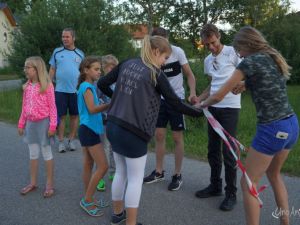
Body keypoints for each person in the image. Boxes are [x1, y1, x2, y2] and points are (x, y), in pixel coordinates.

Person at [196, 26, 299, 225]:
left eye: (239, 49)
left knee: (248, 183)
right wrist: (245, 85)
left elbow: (217, 95)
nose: (239, 53)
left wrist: (201, 105)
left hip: (271, 128)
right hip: (291, 124)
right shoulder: (271, 57)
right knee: (274, 174)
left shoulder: (249, 61)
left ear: (246, 45)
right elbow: (267, 84)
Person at [98, 35, 201, 225]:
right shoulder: (155, 74)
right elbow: (175, 103)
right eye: (164, 58)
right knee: (135, 179)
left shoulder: (127, 63)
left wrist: (118, 98)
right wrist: (199, 112)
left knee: (121, 172)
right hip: (133, 132)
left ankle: (117, 214)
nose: (164, 63)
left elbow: (101, 83)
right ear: (155, 52)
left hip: (113, 125)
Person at [193, 24, 242, 211]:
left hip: (230, 108)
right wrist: (200, 98)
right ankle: (215, 186)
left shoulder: (233, 52)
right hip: (212, 108)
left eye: (213, 43)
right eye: (207, 45)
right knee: (212, 150)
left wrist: (244, 84)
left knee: (228, 152)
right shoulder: (207, 60)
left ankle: (231, 194)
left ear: (219, 36)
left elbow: (245, 75)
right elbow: (212, 85)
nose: (211, 48)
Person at [143, 27, 197, 191]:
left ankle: (177, 174)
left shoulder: (177, 52)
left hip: (176, 100)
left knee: (176, 137)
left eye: (162, 39)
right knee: (159, 135)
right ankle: (159, 172)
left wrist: (193, 93)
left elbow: (189, 74)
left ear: (167, 39)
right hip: (159, 100)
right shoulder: (151, 55)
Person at [18, 56, 57, 198]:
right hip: (30, 124)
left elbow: (53, 108)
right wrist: (21, 123)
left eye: (28, 67)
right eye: (25, 67)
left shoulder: (47, 86)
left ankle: (49, 184)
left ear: (37, 69)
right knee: (33, 154)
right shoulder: (27, 87)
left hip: (44, 124)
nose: (25, 70)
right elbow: (24, 107)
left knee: (47, 153)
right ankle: (33, 182)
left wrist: (53, 125)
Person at [77, 56, 109, 217]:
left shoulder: (86, 86)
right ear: (86, 70)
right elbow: (92, 109)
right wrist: (111, 103)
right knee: (103, 166)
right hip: (89, 130)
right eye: (96, 69)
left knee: (88, 164)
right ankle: (87, 200)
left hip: (86, 129)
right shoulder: (87, 87)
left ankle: (88, 197)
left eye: (99, 69)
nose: (99, 72)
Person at [49, 28, 84, 153]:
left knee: (75, 116)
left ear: (73, 38)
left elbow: (83, 72)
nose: (64, 39)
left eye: (67, 37)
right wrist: (48, 85)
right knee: (61, 116)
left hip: (75, 91)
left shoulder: (80, 54)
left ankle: (71, 140)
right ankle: (61, 142)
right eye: (63, 36)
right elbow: (52, 69)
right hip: (60, 90)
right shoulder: (57, 52)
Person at [96, 54, 119, 192]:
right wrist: (104, 105)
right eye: (108, 67)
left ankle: (113, 172)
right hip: (104, 119)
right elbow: (95, 99)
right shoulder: (100, 82)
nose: (110, 69)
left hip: (116, 120)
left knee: (114, 148)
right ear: (103, 68)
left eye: (113, 67)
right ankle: (99, 177)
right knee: (103, 148)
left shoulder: (119, 82)